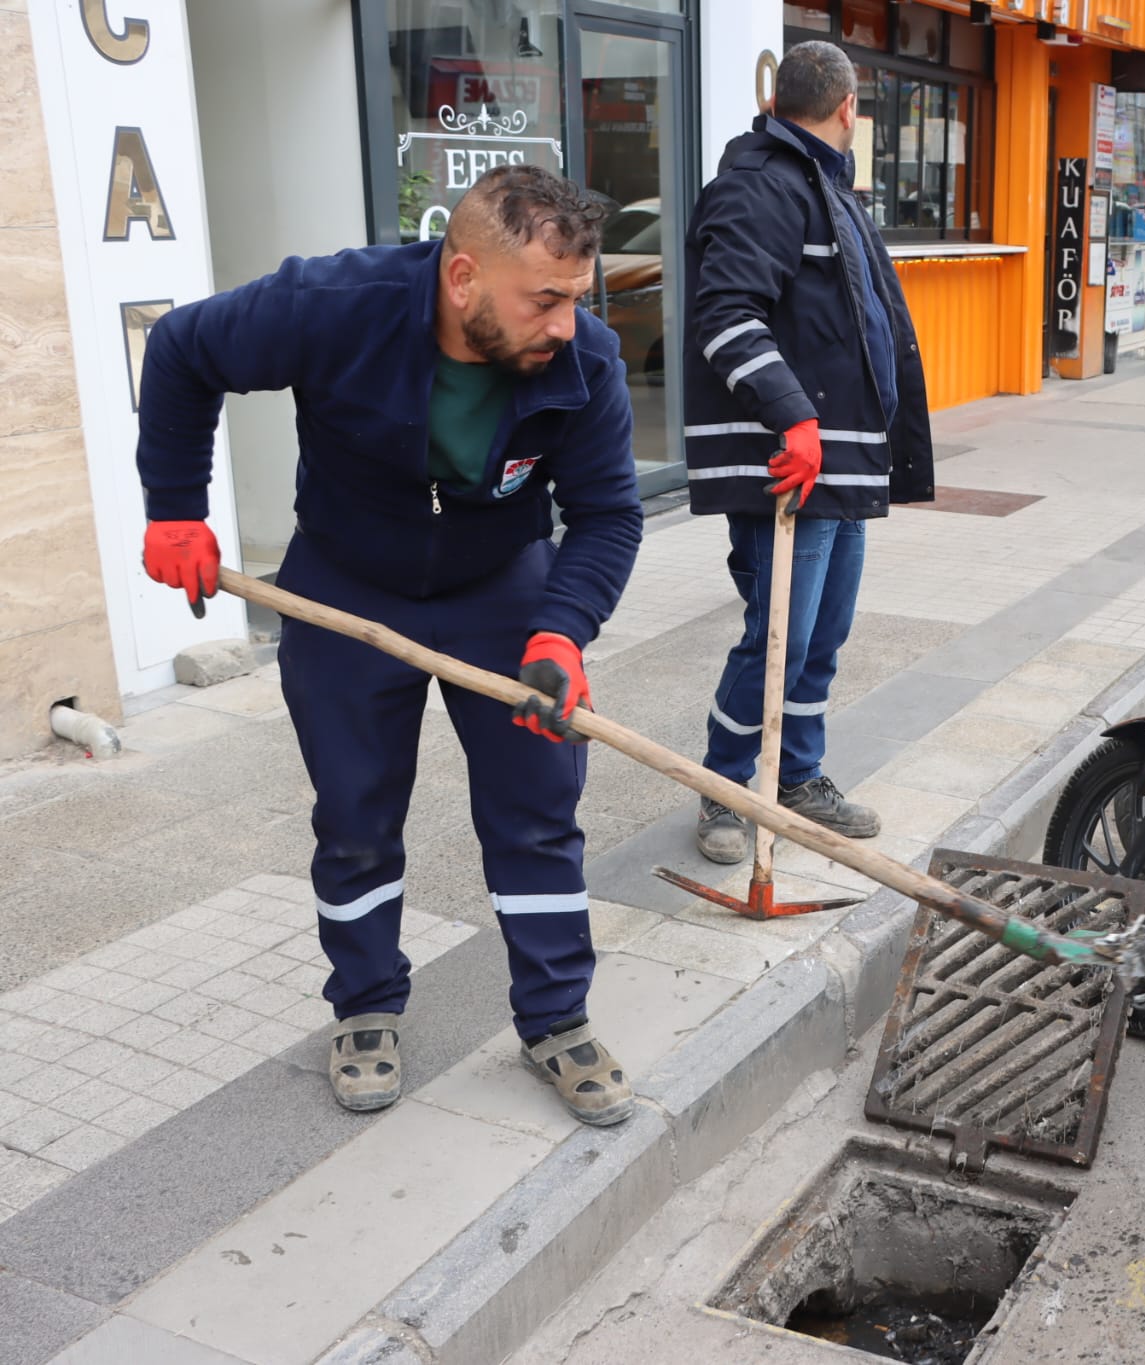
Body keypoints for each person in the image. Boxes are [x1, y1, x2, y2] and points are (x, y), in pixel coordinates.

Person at [136, 166, 644, 1124]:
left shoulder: (588, 365)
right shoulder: (336, 306)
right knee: (357, 812)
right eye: (544, 299)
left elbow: (610, 513)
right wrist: (174, 507)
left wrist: (563, 630)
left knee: (538, 811)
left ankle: (556, 1017)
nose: (565, 325)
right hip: (344, 582)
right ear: (462, 279)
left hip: (503, 590)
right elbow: (181, 348)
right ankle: (366, 1005)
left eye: (577, 298)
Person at [684, 41, 934, 864]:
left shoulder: (825, 186)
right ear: (848, 107)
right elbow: (725, 315)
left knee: (820, 637)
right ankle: (726, 789)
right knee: (776, 638)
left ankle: (796, 775)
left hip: (842, 465)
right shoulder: (764, 185)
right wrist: (792, 418)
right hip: (788, 468)